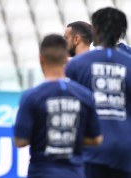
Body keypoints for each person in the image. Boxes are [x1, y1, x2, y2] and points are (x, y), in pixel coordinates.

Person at [14, 34, 103, 178]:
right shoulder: (84, 95)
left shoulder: (31, 96)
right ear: (65, 59)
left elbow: (20, 141)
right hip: (74, 173)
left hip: (41, 172)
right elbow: (96, 139)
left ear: (41, 59)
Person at [65, 7, 131, 178]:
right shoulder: (129, 64)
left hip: (91, 151)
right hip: (125, 151)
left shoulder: (76, 65)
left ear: (96, 30)